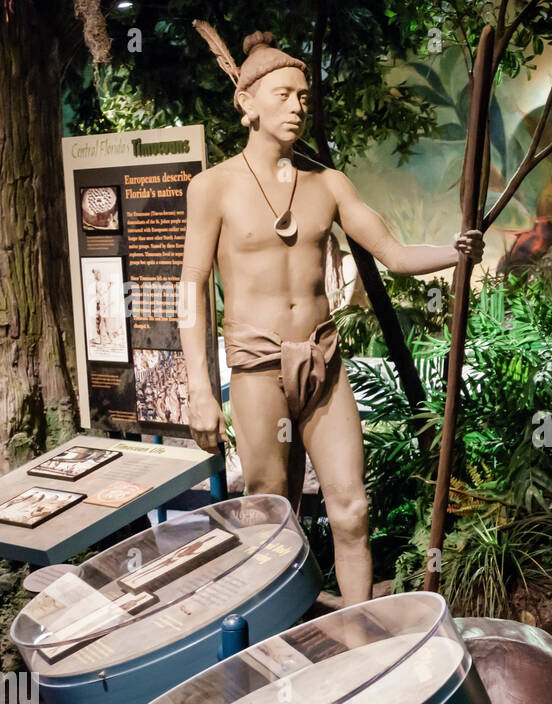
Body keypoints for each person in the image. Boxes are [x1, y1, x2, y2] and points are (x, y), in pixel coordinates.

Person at [180, 28, 483, 605]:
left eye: (303, 97)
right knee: (269, 510)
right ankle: (277, 639)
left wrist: (457, 251)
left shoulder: (328, 185)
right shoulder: (212, 188)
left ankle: (359, 635)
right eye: (284, 94)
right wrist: (198, 386)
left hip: (323, 360)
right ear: (247, 103)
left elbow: (393, 254)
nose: (297, 106)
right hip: (258, 366)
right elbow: (191, 285)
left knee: (351, 507)